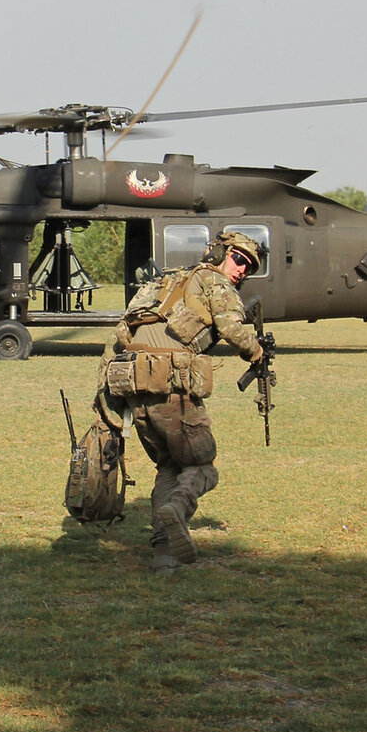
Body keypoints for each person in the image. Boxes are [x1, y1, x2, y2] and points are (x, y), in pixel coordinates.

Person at [95, 231, 265, 570]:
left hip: (132, 385)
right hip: (170, 385)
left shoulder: (165, 282)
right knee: (202, 466)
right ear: (219, 253)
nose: (242, 269)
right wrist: (257, 351)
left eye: (249, 266)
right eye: (239, 259)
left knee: (170, 466)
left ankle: (165, 553)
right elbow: (231, 329)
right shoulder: (214, 281)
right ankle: (177, 507)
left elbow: (120, 335)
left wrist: (106, 398)